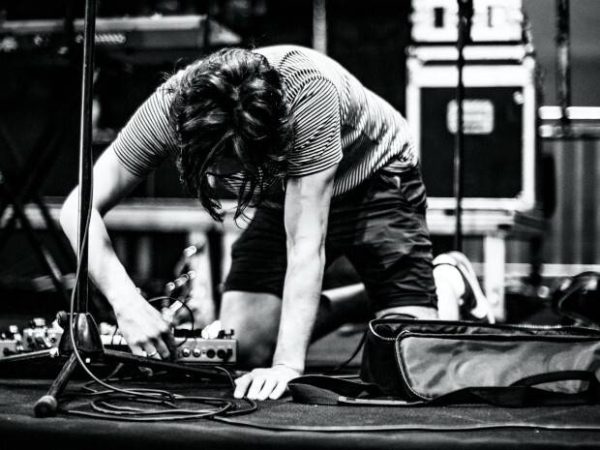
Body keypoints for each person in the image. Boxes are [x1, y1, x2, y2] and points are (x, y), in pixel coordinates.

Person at [60, 45, 491, 402]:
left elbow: (306, 245)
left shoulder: (308, 94)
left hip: (376, 177)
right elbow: (78, 206)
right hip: (284, 185)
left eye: (233, 164)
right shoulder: (171, 108)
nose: (223, 178)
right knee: (246, 345)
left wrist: (286, 367)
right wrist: (126, 302)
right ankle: (367, 298)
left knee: (407, 357)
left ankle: (444, 280)